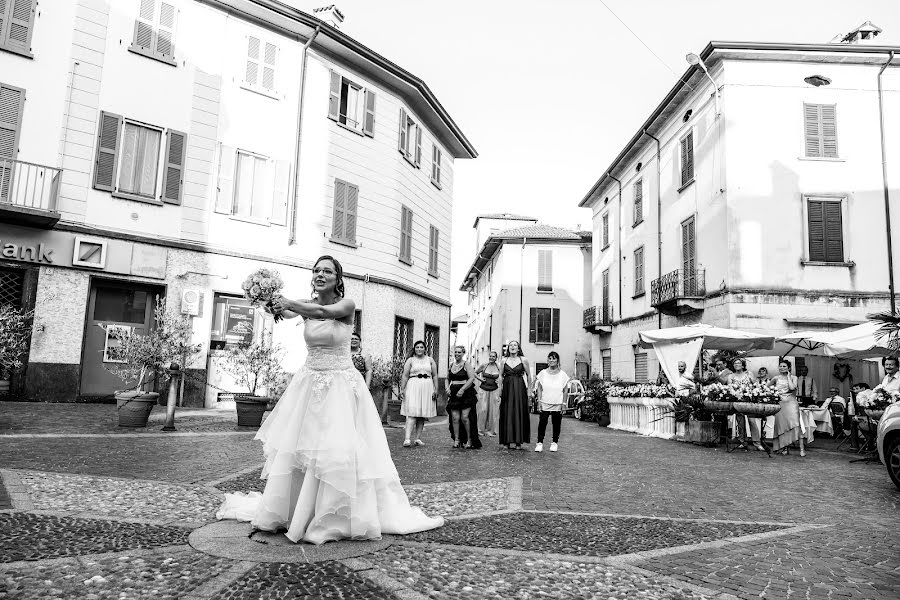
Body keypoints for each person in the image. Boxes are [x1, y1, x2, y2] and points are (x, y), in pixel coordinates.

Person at [216, 255, 443, 544]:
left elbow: (322, 313)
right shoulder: (305, 306)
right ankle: (296, 510)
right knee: (303, 446)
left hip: (340, 384)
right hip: (309, 382)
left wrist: (289, 303)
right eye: (316, 270)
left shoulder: (344, 305)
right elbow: (286, 313)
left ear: (338, 278)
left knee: (335, 448)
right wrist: (268, 299)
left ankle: (334, 515)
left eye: (327, 271)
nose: (320, 274)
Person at [400, 340, 438, 448]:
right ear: (414, 349)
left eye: (421, 347)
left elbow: (435, 375)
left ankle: (417, 438)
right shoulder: (410, 360)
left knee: (422, 414)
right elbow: (405, 375)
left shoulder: (430, 360)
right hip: (413, 385)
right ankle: (407, 439)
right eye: (417, 347)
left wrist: (436, 389)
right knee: (412, 412)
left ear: (425, 349)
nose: (419, 349)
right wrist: (402, 389)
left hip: (427, 386)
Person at [498, 340, 532, 450]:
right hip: (507, 388)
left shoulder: (523, 360)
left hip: (519, 387)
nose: (513, 347)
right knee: (507, 412)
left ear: (518, 348)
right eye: (511, 345)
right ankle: (506, 441)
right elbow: (500, 376)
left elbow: (529, 375)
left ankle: (518, 441)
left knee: (518, 411)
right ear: (508, 348)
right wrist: (500, 389)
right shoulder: (504, 360)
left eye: (515, 345)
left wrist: (529, 391)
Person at [447, 346, 481, 449]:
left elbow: (471, 378)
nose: (457, 354)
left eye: (459, 352)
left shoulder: (466, 364)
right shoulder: (451, 365)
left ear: (463, 353)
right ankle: (457, 440)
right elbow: (447, 378)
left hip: (466, 393)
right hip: (454, 393)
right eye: (455, 352)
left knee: (465, 417)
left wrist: (462, 389)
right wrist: (447, 388)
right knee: (455, 418)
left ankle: (469, 439)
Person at [534, 351, 568, 452]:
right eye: (550, 358)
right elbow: (539, 388)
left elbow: (565, 389)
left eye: (554, 358)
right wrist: (539, 402)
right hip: (545, 402)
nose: (551, 360)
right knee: (542, 423)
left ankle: (554, 443)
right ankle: (539, 443)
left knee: (556, 423)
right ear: (547, 360)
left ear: (557, 360)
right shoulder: (543, 373)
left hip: (558, 402)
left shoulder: (563, 374)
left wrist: (564, 404)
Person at [728, 357, 763, 451]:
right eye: (735, 363)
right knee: (740, 422)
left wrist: (752, 393)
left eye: (738, 363)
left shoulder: (748, 374)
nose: (737, 365)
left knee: (752, 421)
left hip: (749, 400)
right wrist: (735, 395)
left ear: (743, 365)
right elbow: (730, 388)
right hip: (738, 401)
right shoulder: (731, 376)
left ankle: (757, 443)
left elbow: (756, 385)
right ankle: (742, 442)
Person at [771, 359, 806, 457]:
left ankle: (801, 449)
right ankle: (785, 447)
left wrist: (789, 376)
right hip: (781, 404)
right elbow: (766, 387)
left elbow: (792, 388)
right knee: (782, 427)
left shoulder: (794, 377)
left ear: (789, 368)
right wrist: (773, 394)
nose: (782, 368)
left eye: (784, 366)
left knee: (796, 425)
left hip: (791, 404)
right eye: (780, 366)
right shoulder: (776, 378)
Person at [350, 332, 378, 420]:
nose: (353, 340)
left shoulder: (365, 354)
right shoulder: (344, 353)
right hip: (345, 381)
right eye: (351, 339)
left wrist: (367, 385)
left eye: (356, 339)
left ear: (360, 341)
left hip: (359, 382)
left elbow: (369, 370)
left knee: (358, 405)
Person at [475, 351, 501, 436]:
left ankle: (491, 431)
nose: (491, 358)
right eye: (490, 356)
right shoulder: (484, 365)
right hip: (483, 389)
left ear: (496, 358)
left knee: (493, 411)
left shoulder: (499, 367)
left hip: (494, 390)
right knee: (482, 410)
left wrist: (499, 381)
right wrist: (480, 379)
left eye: (493, 356)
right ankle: (480, 430)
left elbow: (503, 376)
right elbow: (475, 373)